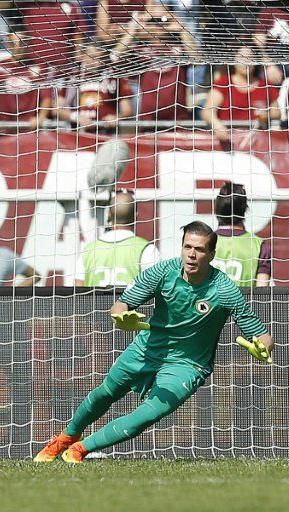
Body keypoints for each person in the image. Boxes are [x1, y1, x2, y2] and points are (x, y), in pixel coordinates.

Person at [35, 221, 275, 463]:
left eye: (200, 249)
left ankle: (80, 449)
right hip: (147, 348)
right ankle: (65, 438)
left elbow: (263, 336)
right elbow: (121, 304)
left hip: (187, 364)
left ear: (212, 255)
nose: (192, 255)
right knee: (104, 393)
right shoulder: (164, 271)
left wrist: (262, 348)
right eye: (187, 247)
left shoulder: (224, 290)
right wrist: (120, 316)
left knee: (148, 414)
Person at [75, 190, 160, 286]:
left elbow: (78, 288)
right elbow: (156, 288)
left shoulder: (88, 250)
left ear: (109, 214)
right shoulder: (148, 250)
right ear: (136, 215)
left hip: (93, 297)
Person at [202, 46, 280, 144]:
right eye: (242, 58)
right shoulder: (223, 83)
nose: (246, 62)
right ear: (234, 61)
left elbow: (276, 113)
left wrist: (267, 115)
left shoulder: (265, 85)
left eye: (250, 58)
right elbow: (207, 111)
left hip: (258, 143)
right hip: (228, 141)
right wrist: (216, 124)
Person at [212, 181, 271, 287]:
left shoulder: (204, 241)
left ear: (217, 208)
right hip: (244, 298)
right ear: (244, 209)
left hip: (211, 298)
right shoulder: (258, 245)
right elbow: (262, 291)